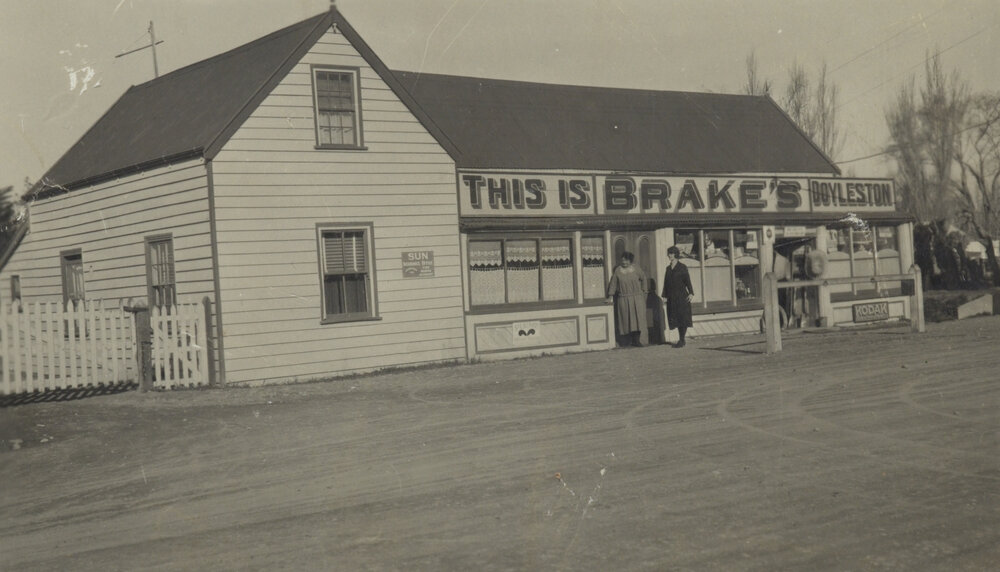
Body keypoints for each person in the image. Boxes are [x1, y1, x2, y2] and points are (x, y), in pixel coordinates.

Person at [605, 251, 647, 347]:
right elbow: (613, 284)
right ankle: (628, 341)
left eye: (626, 260)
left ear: (630, 261)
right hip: (623, 298)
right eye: (623, 260)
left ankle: (637, 341)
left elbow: (643, 277)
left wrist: (644, 290)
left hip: (636, 298)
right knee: (626, 320)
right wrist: (610, 295)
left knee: (637, 319)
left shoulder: (636, 269)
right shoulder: (618, 271)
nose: (624, 262)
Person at [661, 245, 694, 347]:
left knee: (682, 317)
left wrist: (691, 293)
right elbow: (666, 283)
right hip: (671, 297)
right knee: (674, 317)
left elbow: (687, 281)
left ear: (676, 254)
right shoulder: (668, 268)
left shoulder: (682, 267)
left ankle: (682, 339)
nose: (669, 255)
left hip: (681, 296)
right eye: (669, 253)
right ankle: (681, 339)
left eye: (671, 253)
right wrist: (664, 296)